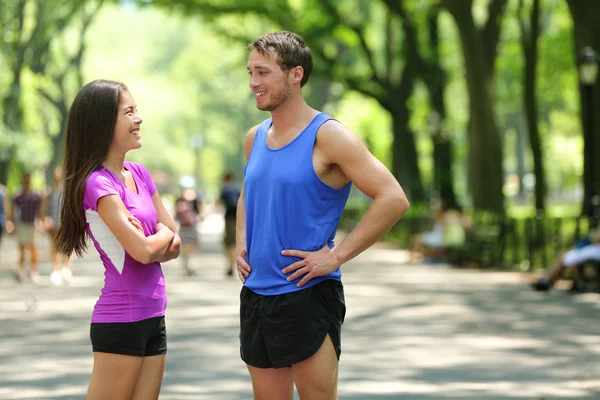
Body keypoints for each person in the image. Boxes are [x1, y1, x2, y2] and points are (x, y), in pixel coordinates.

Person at [237, 31, 409, 400]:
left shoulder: (328, 136)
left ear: (295, 74)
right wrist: (241, 241)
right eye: (251, 72)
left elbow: (393, 198)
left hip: (307, 294)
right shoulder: (255, 137)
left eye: (263, 73)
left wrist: (335, 256)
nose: (253, 82)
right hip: (255, 294)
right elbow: (249, 192)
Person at [54, 79, 181, 400]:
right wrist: (162, 236)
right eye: (129, 112)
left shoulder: (139, 174)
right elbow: (141, 251)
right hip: (122, 317)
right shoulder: (98, 184)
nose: (138, 119)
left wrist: (160, 239)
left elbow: (174, 244)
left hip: (154, 314)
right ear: (104, 123)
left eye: (136, 111)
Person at [531, 228, 600, 292]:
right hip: (592, 250)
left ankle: (548, 280)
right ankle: (549, 280)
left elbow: (596, 239)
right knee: (565, 258)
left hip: (595, 251)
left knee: (563, 257)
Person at [7, 172, 43, 282]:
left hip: (32, 224)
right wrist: (11, 223)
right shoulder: (18, 196)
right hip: (22, 224)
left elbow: (41, 209)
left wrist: (41, 221)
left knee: (33, 249)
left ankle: (33, 271)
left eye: (27, 180)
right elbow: (12, 210)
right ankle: (21, 271)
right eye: (25, 180)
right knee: (22, 249)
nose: (26, 182)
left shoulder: (36, 196)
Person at [41, 167, 72, 285]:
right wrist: (44, 219)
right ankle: (56, 269)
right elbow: (43, 208)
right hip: (53, 224)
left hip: (65, 225)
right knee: (54, 247)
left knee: (67, 247)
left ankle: (66, 267)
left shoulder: (68, 192)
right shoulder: (49, 192)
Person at [217, 172, 240, 277]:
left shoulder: (225, 190)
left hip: (229, 218)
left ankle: (230, 266)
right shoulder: (237, 190)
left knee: (229, 243)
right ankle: (234, 265)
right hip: (238, 218)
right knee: (236, 242)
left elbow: (219, 203)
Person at [174, 189, 200, 276]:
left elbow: (176, 217)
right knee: (191, 248)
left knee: (185, 249)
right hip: (191, 229)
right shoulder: (195, 202)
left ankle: (188, 267)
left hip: (184, 229)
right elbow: (200, 214)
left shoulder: (179, 202)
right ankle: (191, 266)